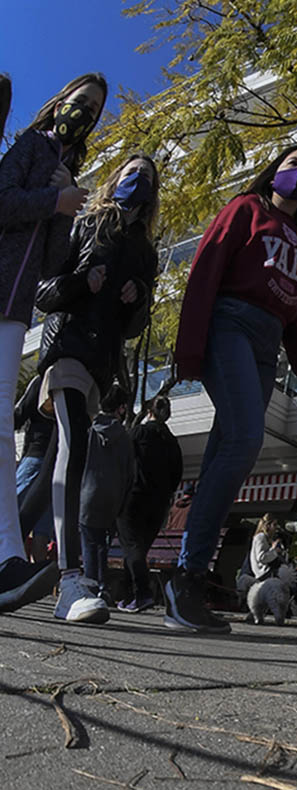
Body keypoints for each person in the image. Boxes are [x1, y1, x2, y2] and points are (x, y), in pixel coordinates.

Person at [167, 145, 297, 634]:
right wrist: (189, 350)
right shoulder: (245, 209)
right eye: (293, 162)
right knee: (245, 439)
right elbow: (204, 271)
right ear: (274, 170)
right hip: (230, 326)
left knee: (230, 449)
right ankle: (187, 577)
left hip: (268, 347)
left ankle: (188, 580)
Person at [26, 152, 159, 623]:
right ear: (115, 179)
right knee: (74, 444)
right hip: (67, 348)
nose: (138, 181)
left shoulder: (146, 251)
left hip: (102, 366)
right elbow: (45, 291)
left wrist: (136, 299)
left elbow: (133, 328)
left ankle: (9, 545)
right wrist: (84, 281)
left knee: (52, 468)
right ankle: (69, 580)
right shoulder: (85, 225)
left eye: (146, 177)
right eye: (131, 173)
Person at [0, 74, 102, 614]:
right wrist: (51, 199)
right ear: (60, 102)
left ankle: (4, 562)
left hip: (17, 310)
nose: (83, 113)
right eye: (79, 102)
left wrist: (66, 207)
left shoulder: (68, 170)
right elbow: (2, 200)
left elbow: (51, 264)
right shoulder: (29, 147)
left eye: (93, 110)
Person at [116, 395, 183, 612]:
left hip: (135, 496)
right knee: (139, 548)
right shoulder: (172, 441)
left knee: (131, 545)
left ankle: (142, 593)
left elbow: (123, 461)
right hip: (159, 502)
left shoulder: (138, 433)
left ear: (148, 411)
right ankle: (129, 595)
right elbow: (177, 474)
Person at [77, 385, 135, 608]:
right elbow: (130, 473)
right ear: (121, 408)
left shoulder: (90, 431)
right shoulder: (124, 436)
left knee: (89, 543)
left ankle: (92, 589)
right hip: (113, 498)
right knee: (103, 544)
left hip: (88, 493)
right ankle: (103, 588)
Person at [13, 375, 55, 561]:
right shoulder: (77, 380)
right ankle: (38, 580)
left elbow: (19, 414)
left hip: (35, 455)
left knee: (12, 517)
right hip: (56, 463)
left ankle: (14, 568)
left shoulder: (42, 380)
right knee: (41, 530)